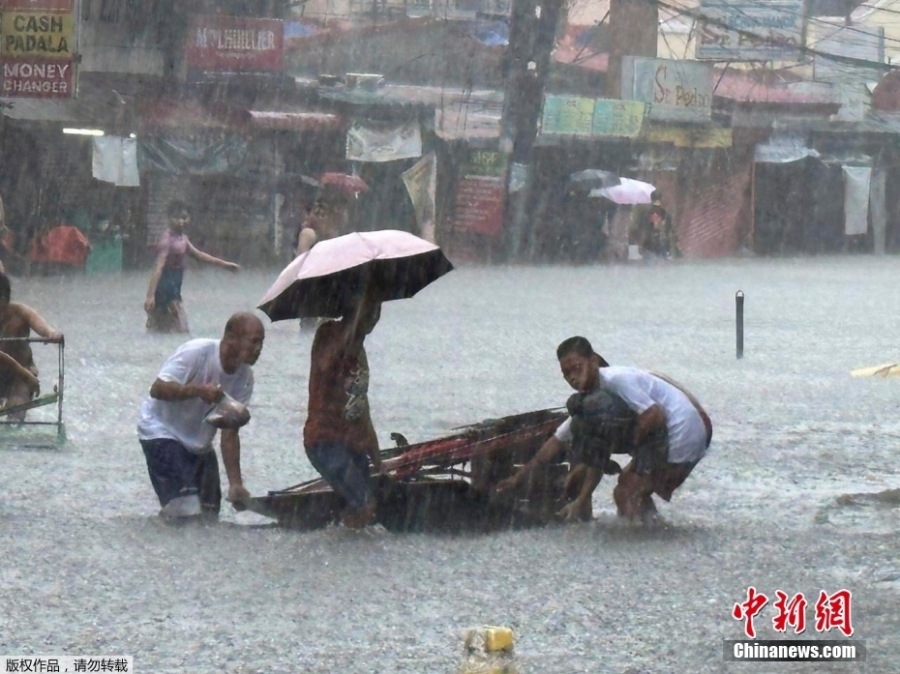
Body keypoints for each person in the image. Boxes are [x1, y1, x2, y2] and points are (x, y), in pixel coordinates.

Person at [497, 336, 712, 523]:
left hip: (683, 431)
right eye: (566, 373)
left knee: (626, 491)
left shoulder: (615, 380)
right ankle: (652, 530)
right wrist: (520, 476)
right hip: (683, 428)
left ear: (594, 361)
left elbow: (654, 414)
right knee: (632, 484)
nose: (572, 377)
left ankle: (639, 548)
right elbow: (556, 441)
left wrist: (622, 449)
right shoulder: (592, 403)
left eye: (577, 368)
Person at [137, 311, 265, 521]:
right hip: (161, 431)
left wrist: (235, 483)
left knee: (209, 514)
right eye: (253, 342)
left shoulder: (245, 379)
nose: (258, 349)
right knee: (187, 510)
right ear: (232, 338)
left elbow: (230, 433)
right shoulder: (196, 352)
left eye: (262, 343)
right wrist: (198, 391)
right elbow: (157, 389)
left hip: (198, 445)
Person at [303, 290, 383, 529]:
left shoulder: (360, 353)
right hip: (325, 440)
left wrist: (376, 456)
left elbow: (361, 405)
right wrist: (352, 328)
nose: (374, 316)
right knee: (364, 506)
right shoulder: (328, 333)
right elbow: (325, 364)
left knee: (361, 508)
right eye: (368, 310)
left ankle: (343, 545)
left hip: (353, 443)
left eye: (376, 310)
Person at [144, 200, 240, 334]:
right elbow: (158, 268)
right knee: (180, 328)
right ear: (169, 218)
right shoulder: (167, 241)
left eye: (184, 218)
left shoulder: (183, 239)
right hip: (165, 286)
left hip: (175, 284)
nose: (181, 221)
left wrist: (225, 265)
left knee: (162, 328)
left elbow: (200, 255)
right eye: (177, 218)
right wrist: (150, 296)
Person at [0, 272, 63, 420]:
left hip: (19, 377)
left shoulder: (20, 312)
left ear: (3, 300)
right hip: (22, 374)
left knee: (16, 413)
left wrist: (51, 333)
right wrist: (27, 376)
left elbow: (41, 326)